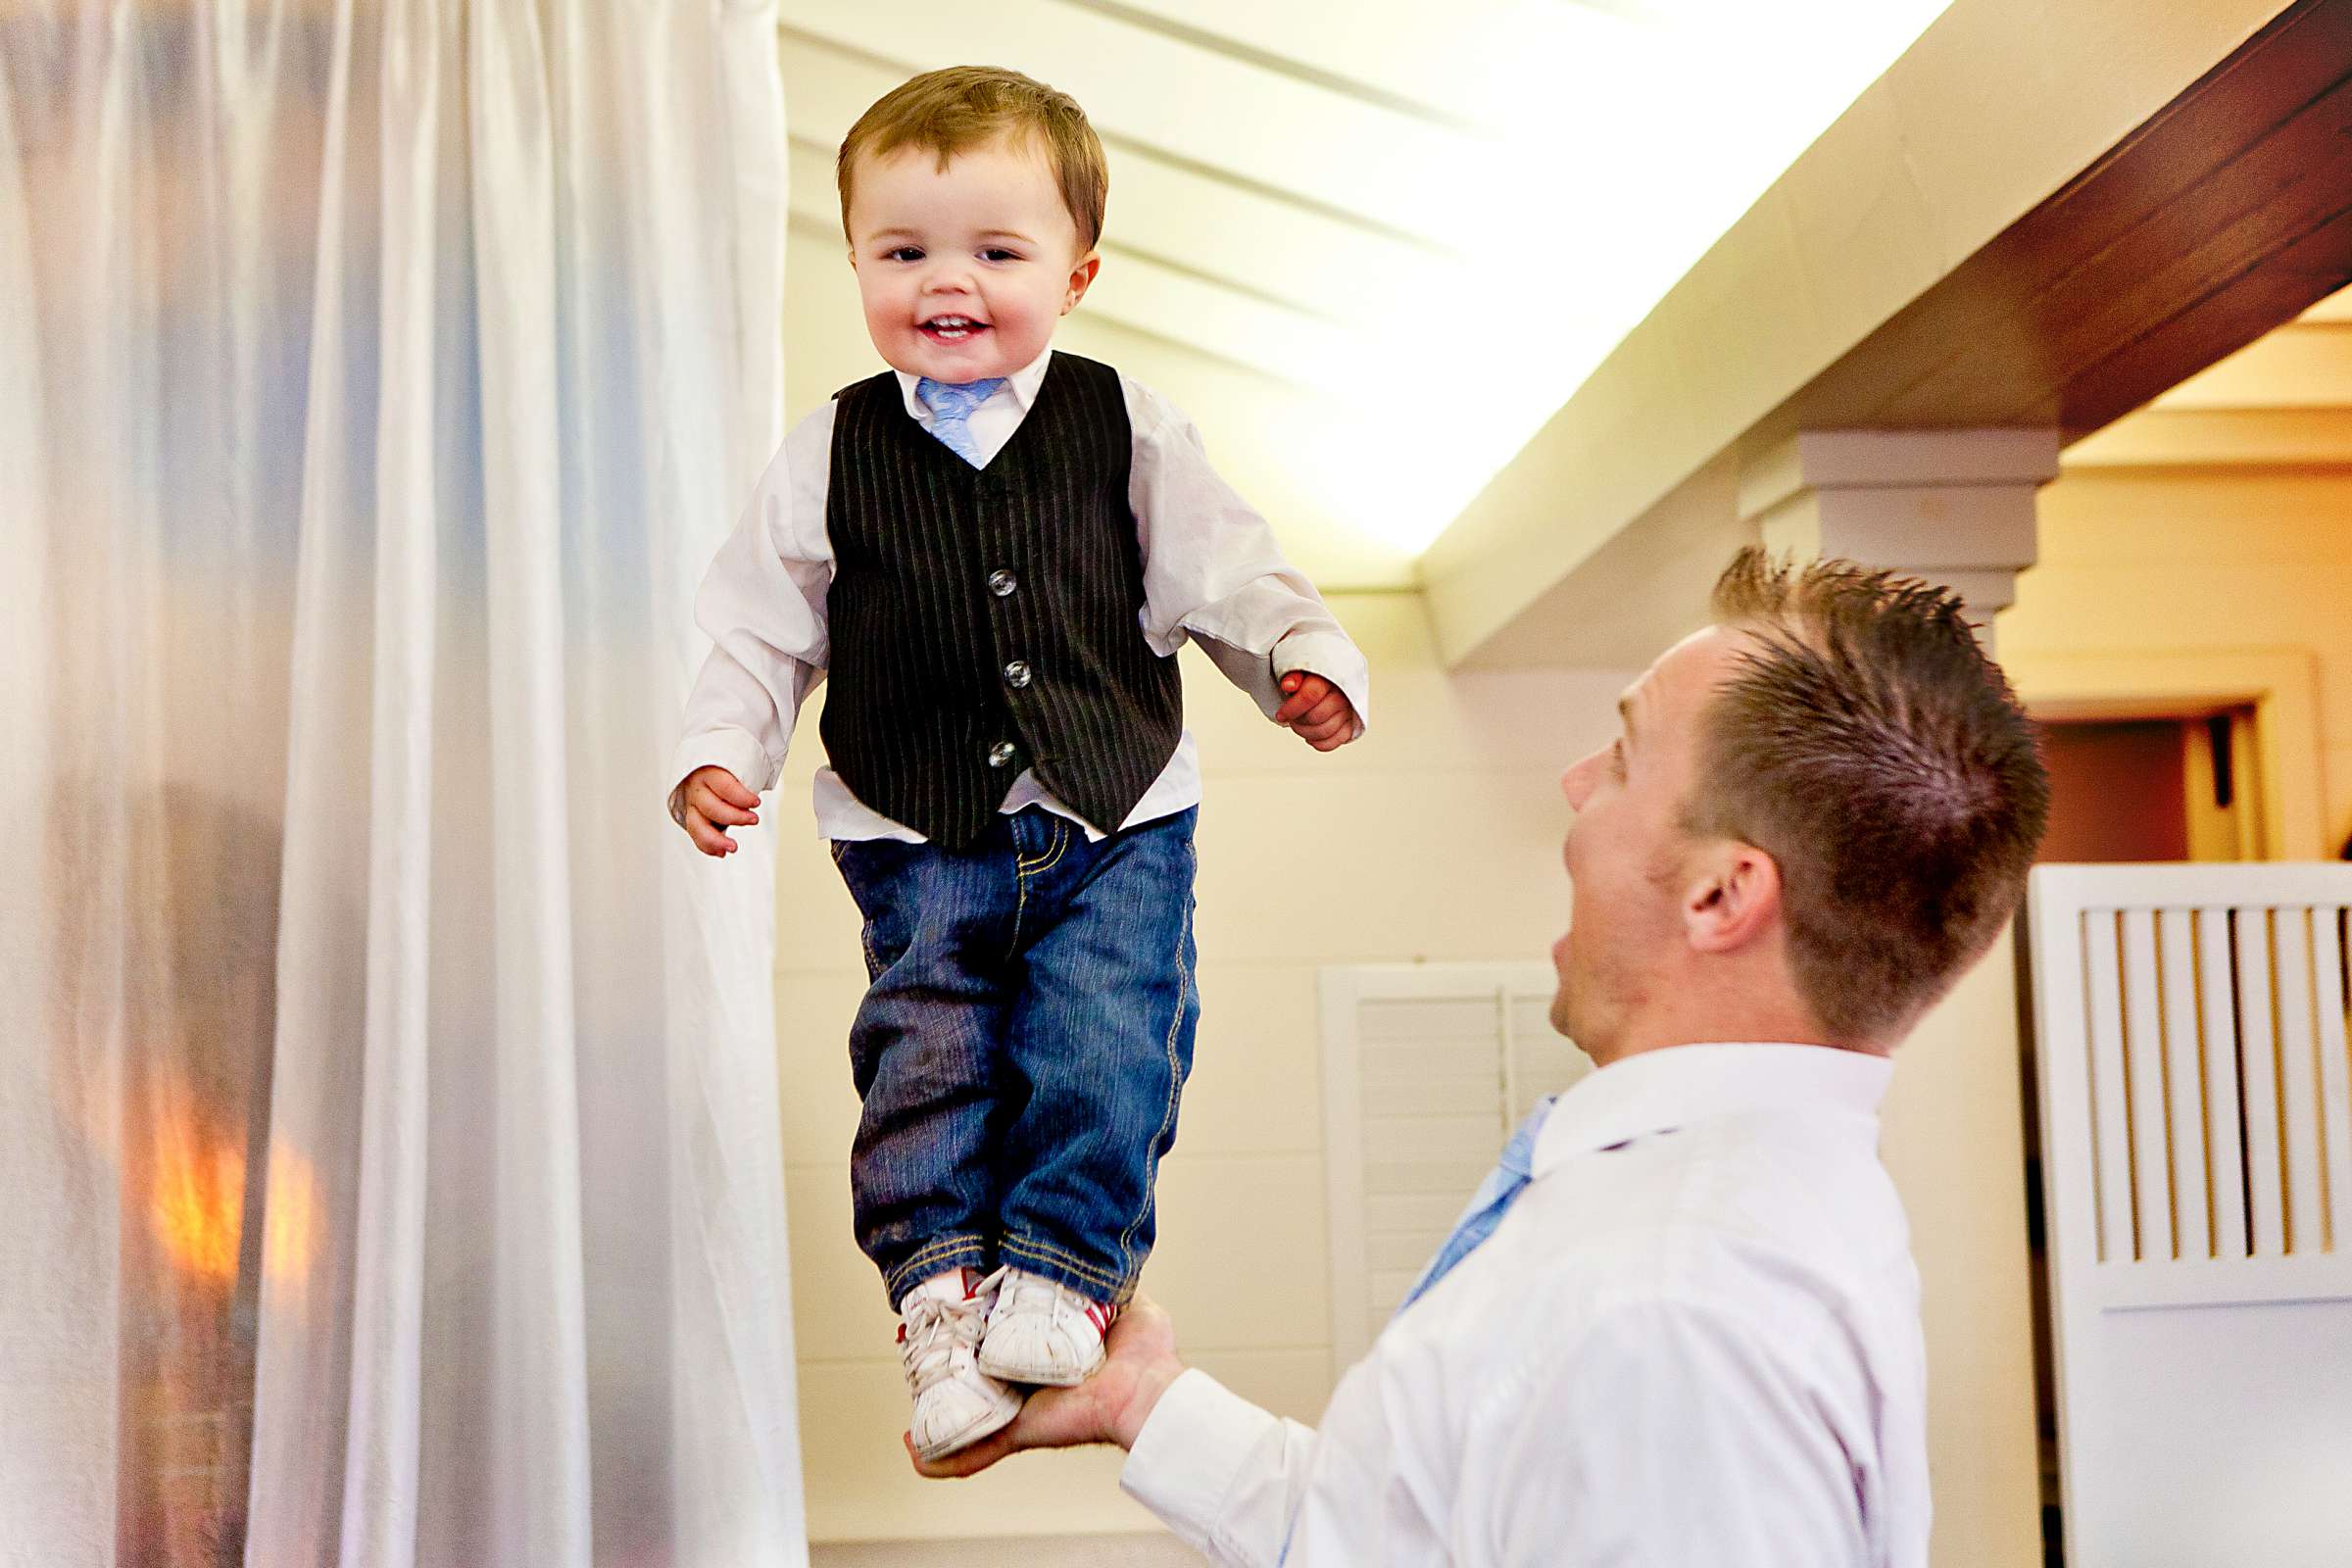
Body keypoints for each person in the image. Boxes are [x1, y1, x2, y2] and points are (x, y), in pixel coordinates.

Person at [918, 549, 2052, 1567]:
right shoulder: (1679, 1220)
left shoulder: (1677, 1314)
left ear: (1722, 893)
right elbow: (1415, 1537)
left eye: (1622, 755)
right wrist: (1143, 1401)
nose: (1573, 784)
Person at [664, 65, 1369, 1463]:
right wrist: (712, 750)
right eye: (904, 251)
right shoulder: (829, 449)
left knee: (1104, 1039)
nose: (950, 284)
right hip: (915, 827)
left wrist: (1296, 653)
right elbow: (755, 626)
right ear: (857, 258)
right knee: (926, 1052)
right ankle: (940, 1290)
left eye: (997, 253)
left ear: (1078, 270)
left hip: (1115, 813)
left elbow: (1222, 568)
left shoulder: (1127, 423)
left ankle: (1061, 1266)